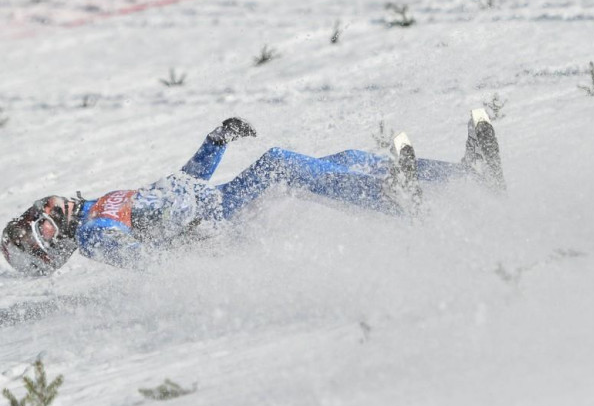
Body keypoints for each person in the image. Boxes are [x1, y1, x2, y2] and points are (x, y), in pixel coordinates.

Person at [1, 110, 505, 275]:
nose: (43, 207)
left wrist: (214, 142)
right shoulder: (94, 233)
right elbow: (152, 263)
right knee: (278, 166)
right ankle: (388, 199)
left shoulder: (101, 204)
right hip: (222, 222)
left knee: (345, 160)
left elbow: (181, 185)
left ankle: (467, 176)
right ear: (52, 244)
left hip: (217, 199)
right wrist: (178, 244)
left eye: (33, 210)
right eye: (37, 222)